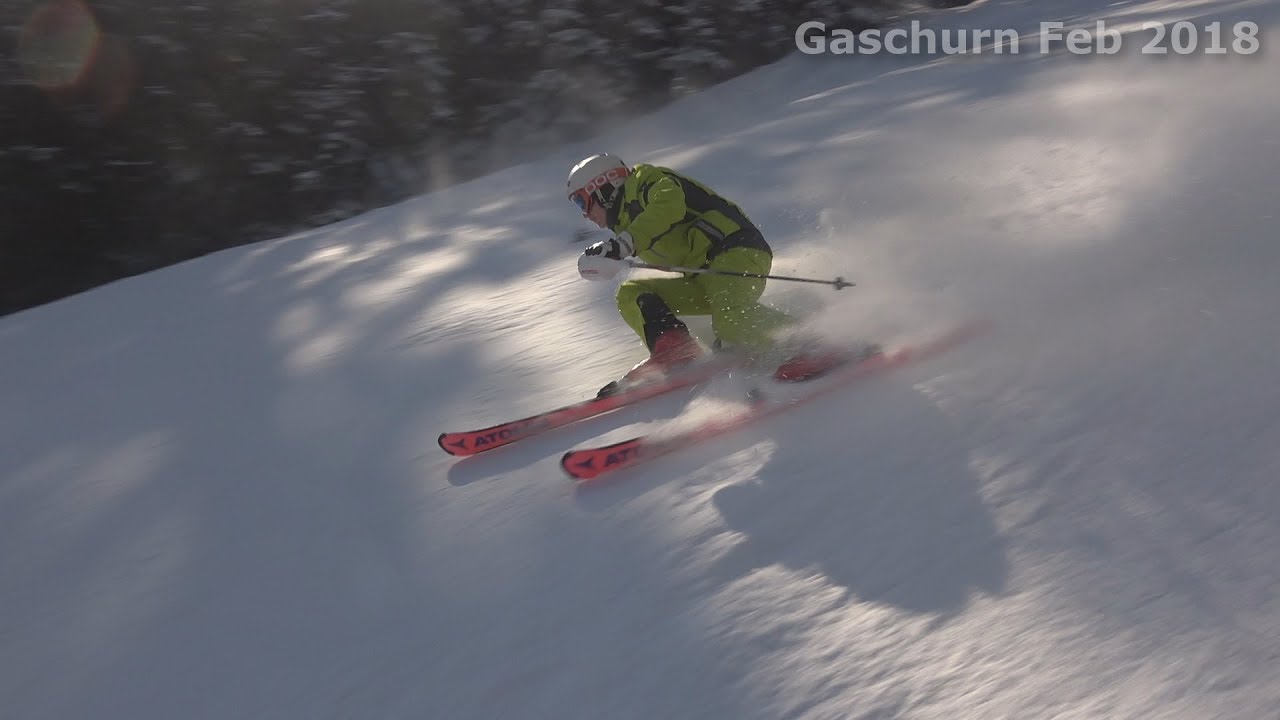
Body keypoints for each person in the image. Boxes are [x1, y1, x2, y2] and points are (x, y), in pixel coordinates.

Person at [567, 153, 849, 396]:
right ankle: (672, 349)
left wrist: (624, 244)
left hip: (737, 252)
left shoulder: (648, 181)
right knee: (631, 292)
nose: (584, 215)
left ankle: (813, 344)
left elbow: (669, 206)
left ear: (603, 187)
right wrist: (611, 256)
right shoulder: (625, 224)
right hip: (703, 277)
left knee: (729, 317)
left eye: (582, 202)